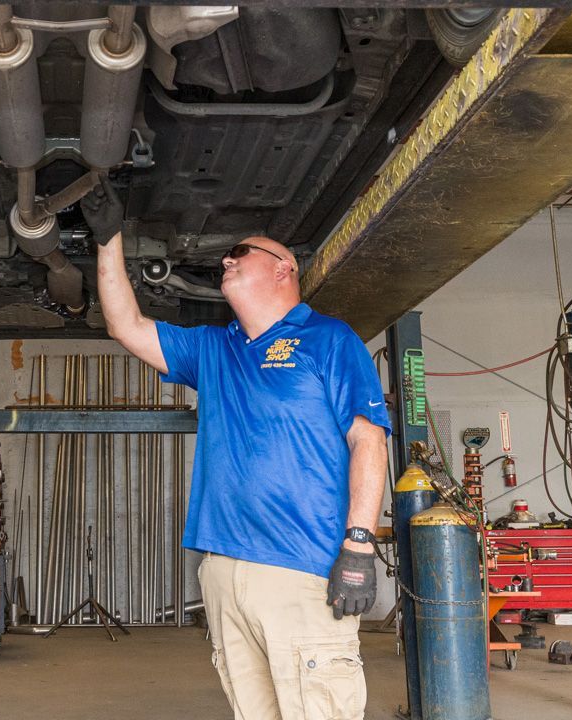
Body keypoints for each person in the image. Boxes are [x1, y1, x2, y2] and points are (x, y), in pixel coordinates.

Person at [83, 180, 390, 720]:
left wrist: (360, 545)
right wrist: (108, 239)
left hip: (303, 572)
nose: (226, 259)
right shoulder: (214, 349)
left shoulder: (328, 339)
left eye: (241, 252)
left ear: (282, 269)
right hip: (223, 573)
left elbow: (369, 439)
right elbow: (125, 325)